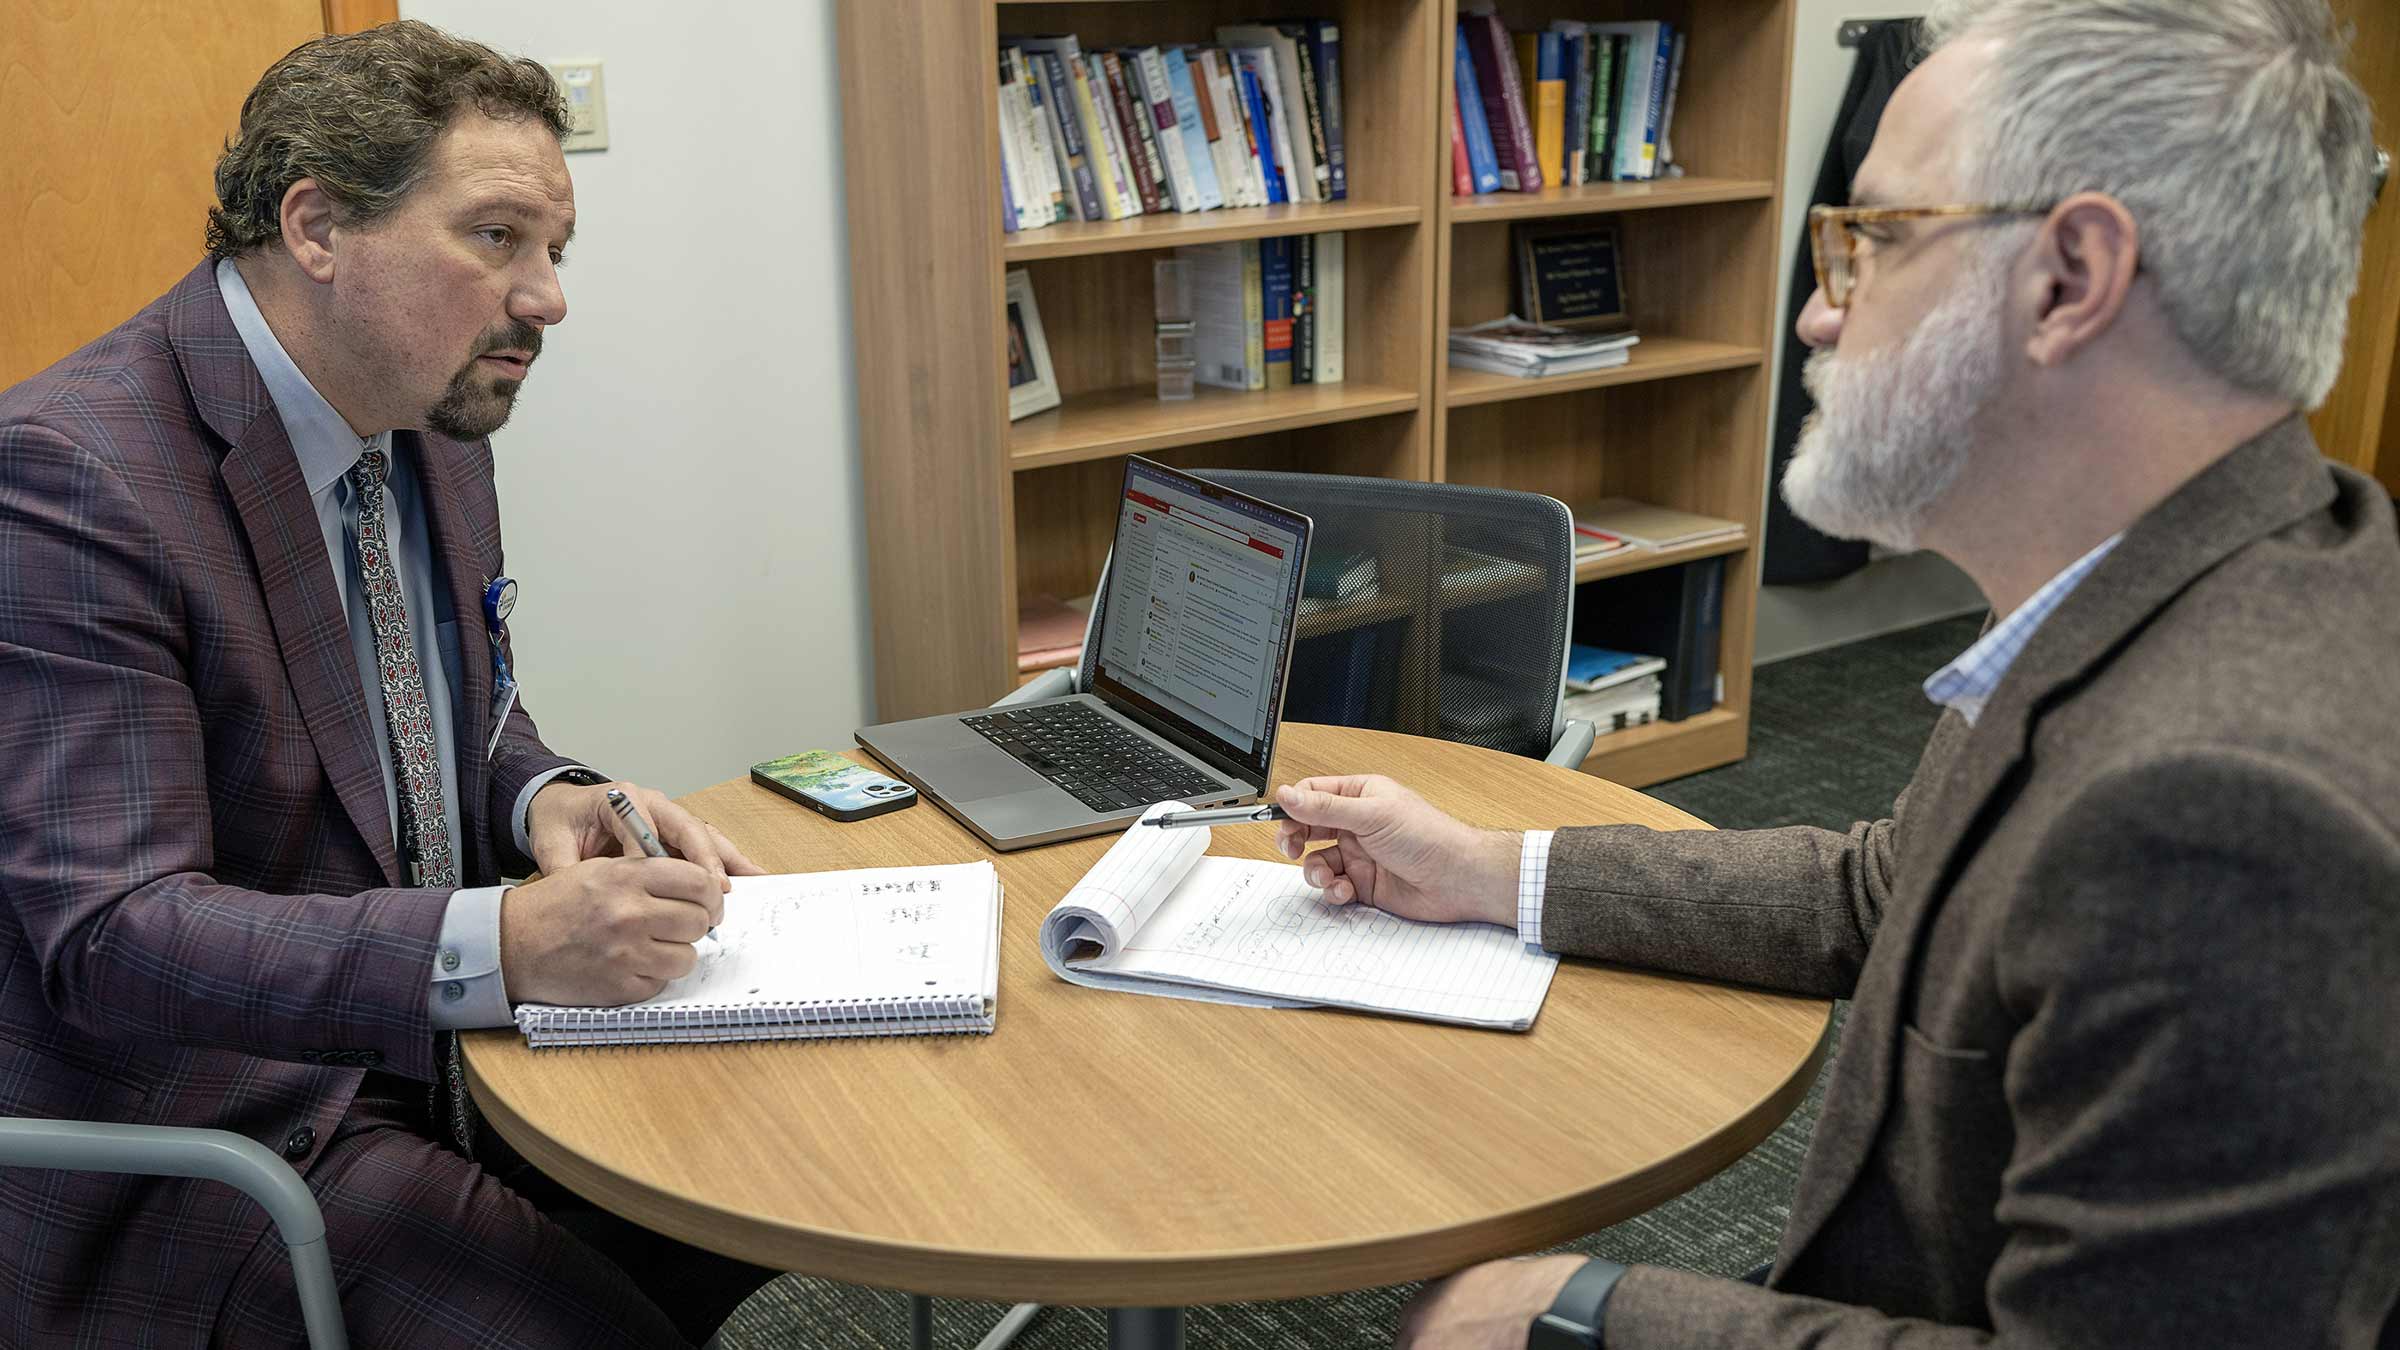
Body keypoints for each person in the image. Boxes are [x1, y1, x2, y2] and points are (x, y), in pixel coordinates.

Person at [1274, 2, 2400, 1346]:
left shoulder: (2227, 810)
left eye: (1867, 241)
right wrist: (1483, 870)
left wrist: (1576, 1313)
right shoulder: (2174, 587)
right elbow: (1885, 887)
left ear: (2069, 277)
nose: (1815, 314)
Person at [0, 22, 779, 1348]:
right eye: (496, 239)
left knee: (762, 1180)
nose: (547, 297)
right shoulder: (75, 479)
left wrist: (545, 794)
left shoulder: (429, 411)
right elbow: (114, 938)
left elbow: (447, 727)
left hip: (435, 1060)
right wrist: (502, 945)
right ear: (317, 227)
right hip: (212, 1129)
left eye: (556, 250)